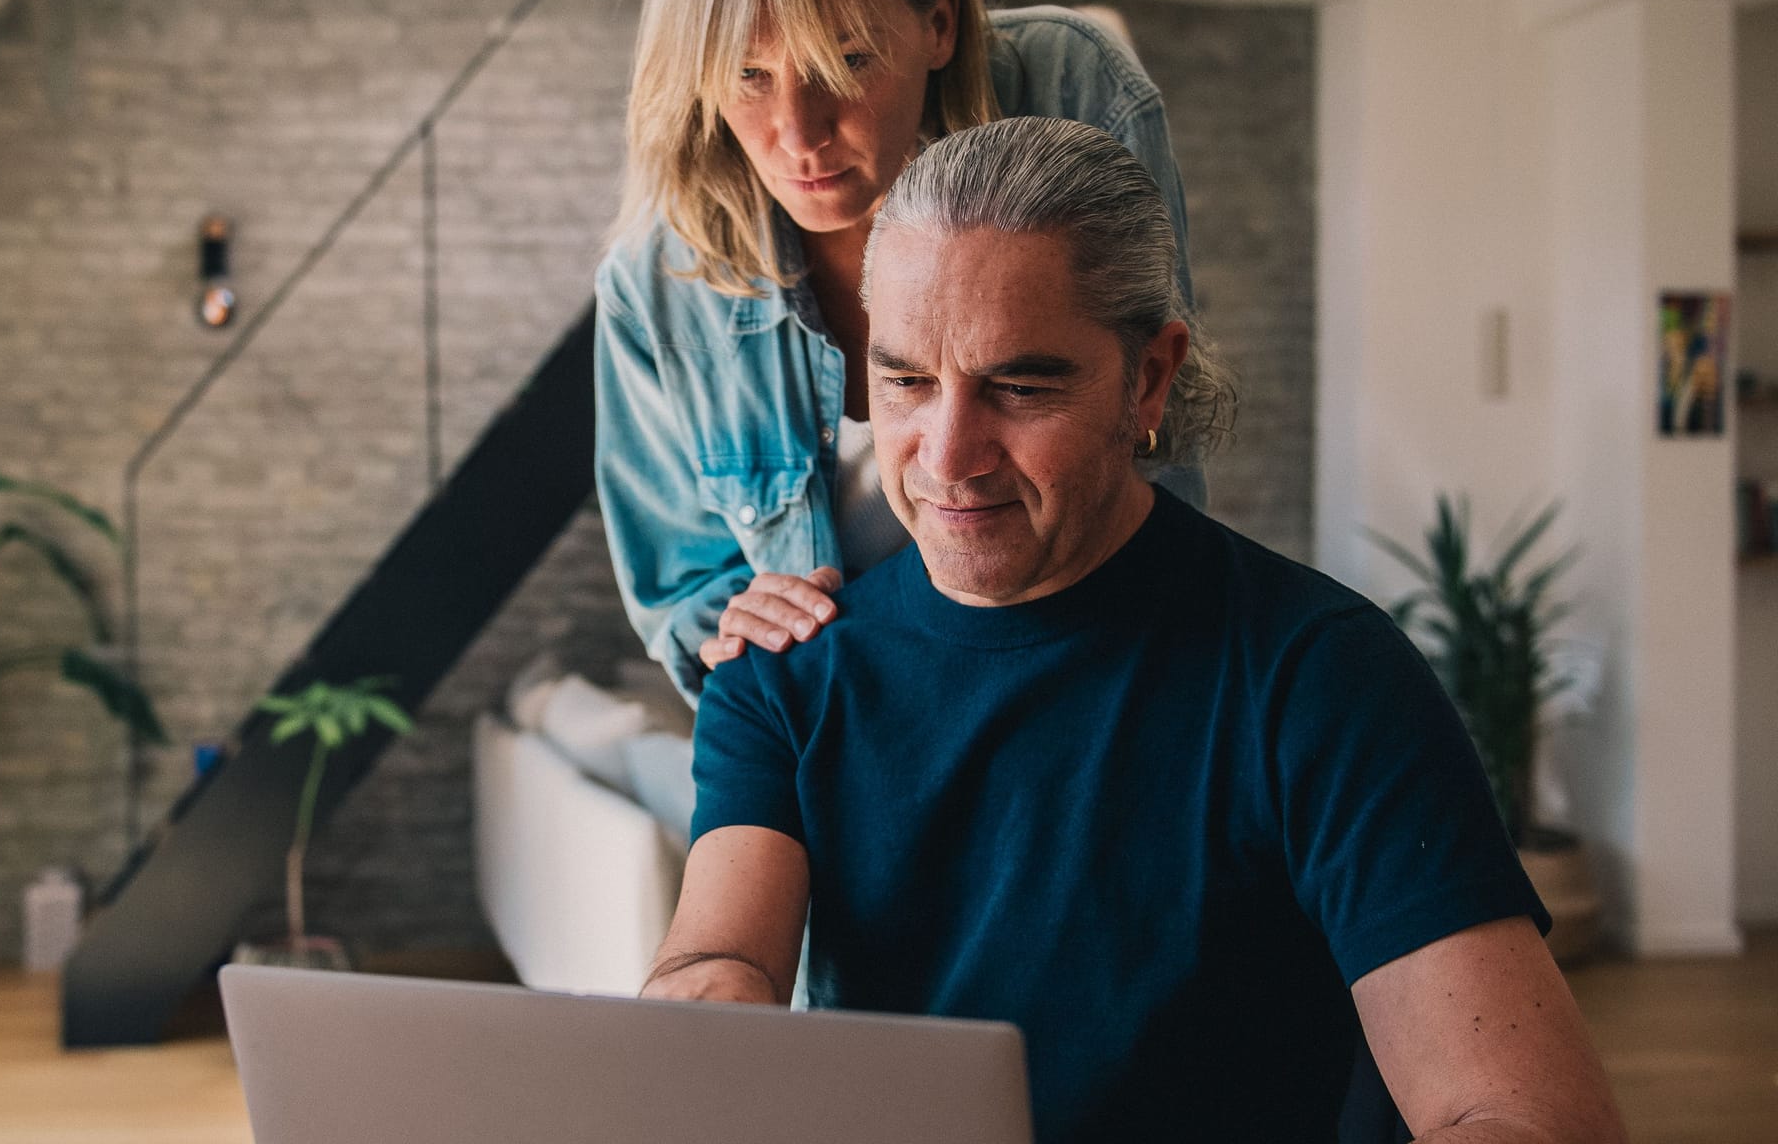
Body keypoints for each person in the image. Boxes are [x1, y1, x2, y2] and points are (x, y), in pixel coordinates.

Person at [643, 119, 1627, 1144]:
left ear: (1149, 377)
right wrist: (699, 1016)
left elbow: (1528, 1115)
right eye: (907, 381)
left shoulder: (1322, 676)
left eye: (1019, 385)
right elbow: (721, 961)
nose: (948, 454)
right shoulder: (786, 676)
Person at [595, 0, 1203, 702]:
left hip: (1088, 689)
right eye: (747, 74)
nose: (799, 136)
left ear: (940, 22)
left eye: (845, 61)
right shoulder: (655, 286)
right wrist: (738, 630)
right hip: (849, 735)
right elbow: (684, 600)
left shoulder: (1071, 90)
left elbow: (1156, 454)